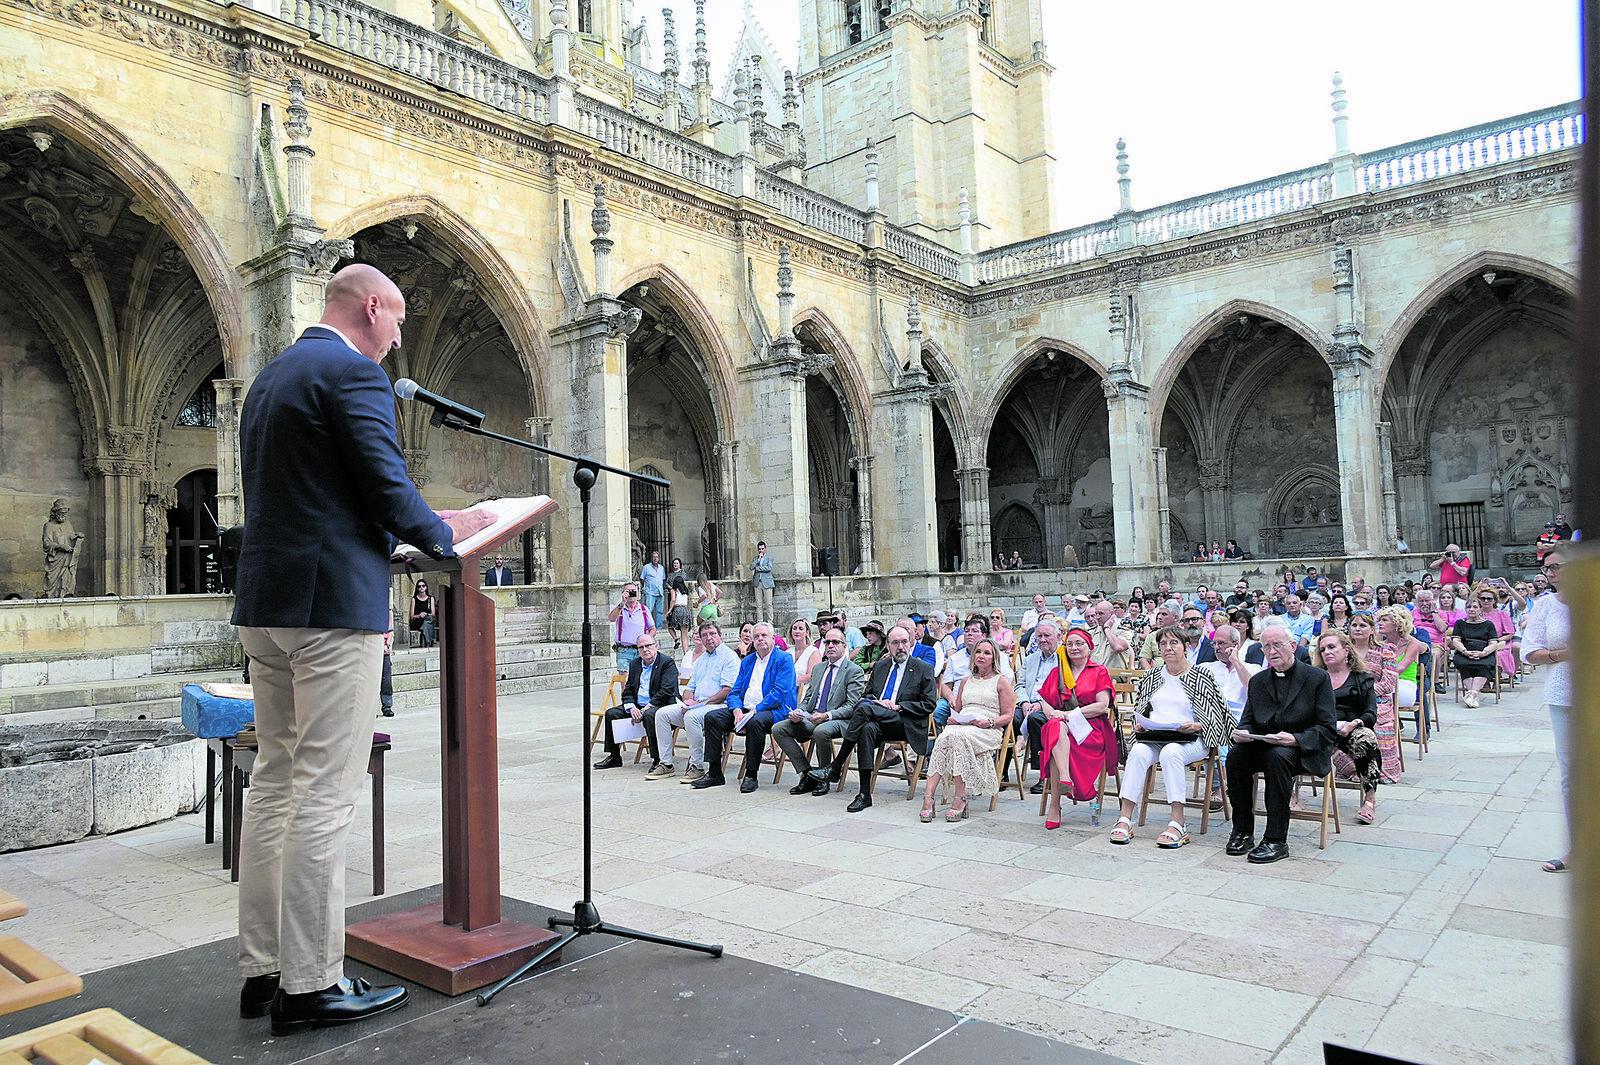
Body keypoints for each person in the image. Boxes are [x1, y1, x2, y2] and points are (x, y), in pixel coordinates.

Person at [231, 263, 494, 1033]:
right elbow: (385, 485)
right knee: (322, 791)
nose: (402, 335)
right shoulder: (352, 374)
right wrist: (448, 535)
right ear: (372, 307)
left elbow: (324, 496)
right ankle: (311, 983)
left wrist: (416, 522)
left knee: (276, 784)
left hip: (267, 607)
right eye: (400, 319)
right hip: (329, 613)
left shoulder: (272, 377)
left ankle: (263, 967)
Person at [1109, 626, 1232, 848]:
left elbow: (1219, 717)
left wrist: (1196, 725)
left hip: (1192, 739)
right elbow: (1142, 709)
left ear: (1186, 648)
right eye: (1163, 644)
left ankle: (1178, 821)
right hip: (1156, 736)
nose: (1167, 648)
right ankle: (1125, 817)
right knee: (1137, 751)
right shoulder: (1153, 675)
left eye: (1173, 643)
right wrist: (1140, 724)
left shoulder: (1201, 675)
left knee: (1170, 752)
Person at [1225, 626, 1337, 864]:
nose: (1272, 651)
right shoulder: (1258, 681)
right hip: (1268, 746)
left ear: (1293, 646)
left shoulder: (1317, 678)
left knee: (1277, 756)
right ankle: (1242, 831)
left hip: (1303, 748)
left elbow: (1327, 729)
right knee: (1236, 756)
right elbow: (1249, 722)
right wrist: (1243, 734)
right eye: (1267, 646)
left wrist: (1295, 739)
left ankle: (1276, 839)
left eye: (1278, 645)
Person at [808, 624, 937, 813]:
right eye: (895, 643)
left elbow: (929, 704)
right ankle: (864, 794)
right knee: (866, 728)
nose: (900, 646)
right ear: (888, 645)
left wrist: (899, 706)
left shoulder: (922, 668)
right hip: (878, 717)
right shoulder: (881, 666)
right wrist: (879, 702)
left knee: (863, 710)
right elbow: (867, 695)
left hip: (905, 721)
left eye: (904, 642)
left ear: (910, 643)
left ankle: (836, 766)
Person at [917, 638, 1015, 822]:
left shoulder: (1001, 682)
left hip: (988, 728)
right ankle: (928, 797)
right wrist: (954, 718)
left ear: (994, 657)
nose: (981, 656)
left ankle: (960, 798)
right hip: (965, 724)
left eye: (987, 653)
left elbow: (1008, 716)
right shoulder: (965, 681)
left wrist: (990, 722)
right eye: (978, 652)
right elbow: (959, 709)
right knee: (945, 737)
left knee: (957, 737)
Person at [694, 623, 797, 792]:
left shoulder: (783, 659)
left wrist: (753, 711)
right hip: (745, 711)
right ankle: (714, 773)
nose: (760, 639)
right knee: (712, 717)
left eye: (764, 635)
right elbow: (734, 692)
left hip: (775, 710)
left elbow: (779, 692)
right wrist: (736, 712)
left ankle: (751, 774)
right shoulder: (748, 661)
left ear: (773, 638)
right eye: (756, 637)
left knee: (755, 722)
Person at [1521, 547, 1571, 872]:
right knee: (1572, 774)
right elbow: (1529, 651)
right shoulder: (1546, 605)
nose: (1550, 572)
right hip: (1563, 695)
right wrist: (1563, 655)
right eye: (1546, 567)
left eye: (1556, 566)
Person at [1039, 628, 1116, 828]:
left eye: (1079, 643)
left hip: (1091, 729)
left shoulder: (1099, 671)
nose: (1074, 648)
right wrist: (1053, 713)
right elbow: (1044, 701)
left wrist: (1069, 715)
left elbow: (1102, 706)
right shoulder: (1059, 672)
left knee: (1055, 741)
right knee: (1054, 727)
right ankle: (1064, 779)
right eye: (1070, 644)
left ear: (1089, 647)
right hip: (1063, 726)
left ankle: (1055, 806)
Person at [776, 627, 867, 794]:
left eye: (835, 642)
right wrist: (798, 712)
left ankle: (824, 777)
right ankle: (808, 773)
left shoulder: (854, 671)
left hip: (838, 719)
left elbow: (852, 706)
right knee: (779, 728)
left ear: (845, 646)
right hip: (813, 717)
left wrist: (827, 715)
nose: (830, 645)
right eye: (827, 642)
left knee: (821, 730)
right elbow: (809, 698)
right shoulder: (819, 669)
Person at [650, 620, 740, 782]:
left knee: (692, 717)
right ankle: (666, 763)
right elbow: (689, 688)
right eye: (704, 635)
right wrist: (688, 702)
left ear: (720, 635)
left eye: (712, 633)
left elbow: (727, 691)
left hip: (719, 707)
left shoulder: (730, 657)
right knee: (662, 714)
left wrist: (698, 704)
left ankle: (697, 766)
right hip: (698, 706)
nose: (708, 638)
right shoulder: (701, 660)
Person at [1313, 630, 1382, 824]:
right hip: (1321, 728)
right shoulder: (1315, 678)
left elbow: (1371, 714)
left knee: (1365, 738)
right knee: (1293, 737)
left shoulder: (1362, 678)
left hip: (1351, 728)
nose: (1326, 652)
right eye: (1323, 649)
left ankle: (1369, 799)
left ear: (1346, 650)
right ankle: (1292, 796)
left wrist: (1354, 724)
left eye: (1332, 647)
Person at [593, 633, 679, 771]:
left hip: (659, 705)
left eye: (648, 646)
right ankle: (614, 756)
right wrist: (631, 708)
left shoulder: (667, 663)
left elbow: (667, 690)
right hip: (638, 705)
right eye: (641, 647)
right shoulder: (635, 664)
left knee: (650, 715)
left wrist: (646, 708)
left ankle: (658, 759)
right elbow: (628, 690)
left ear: (656, 646)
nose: (645, 650)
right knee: (611, 713)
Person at [1448, 591, 1503, 708]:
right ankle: (1473, 695)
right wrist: (1465, 651)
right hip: (1464, 651)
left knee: (1485, 664)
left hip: (1484, 652)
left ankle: (1471, 694)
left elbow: (1493, 643)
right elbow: (1456, 640)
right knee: (1463, 664)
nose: (1471, 609)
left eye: (1475, 607)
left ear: (1480, 609)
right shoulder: (1460, 623)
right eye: (1469, 607)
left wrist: (1484, 653)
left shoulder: (1488, 624)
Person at [41, 498, 85, 598]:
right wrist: (60, 547)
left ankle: (66, 595)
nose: (63, 516)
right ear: (55, 512)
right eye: (61, 513)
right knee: (52, 582)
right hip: (56, 560)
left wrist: (78, 537)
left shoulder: (68, 525)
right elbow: (46, 543)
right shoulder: (49, 526)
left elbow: (71, 539)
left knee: (67, 579)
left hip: (68, 559)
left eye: (65, 514)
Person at [607, 581, 653, 673]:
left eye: (633, 591)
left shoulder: (644, 609)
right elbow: (611, 619)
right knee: (625, 682)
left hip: (641, 650)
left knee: (641, 679)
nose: (631, 594)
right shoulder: (620, 608)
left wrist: (647, 639)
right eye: (628, 591)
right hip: (624, 650)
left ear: (638, 593)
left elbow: (652, 628)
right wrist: (623, 602)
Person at [665, 560, 693, 652]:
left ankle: (676, 639)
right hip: (685, 610)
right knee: (684, 636)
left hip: (677, 609)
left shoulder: (674, 590)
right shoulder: (685, 591)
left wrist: (669, 610)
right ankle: (686, 654)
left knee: (670, 627)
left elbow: (673, 600)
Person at [788, 617, 822, 684]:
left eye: (801, 629)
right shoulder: (788, 652)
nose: (797, 631)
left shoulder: (814, 652)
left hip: (806, 691)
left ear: (807, 632)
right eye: (794, 628)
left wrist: (787, 682)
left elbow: (811, 676)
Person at [639, 550, 666, 631]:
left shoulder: (661, 568)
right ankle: (647, 627)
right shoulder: (646, 567)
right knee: (648, 611)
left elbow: (663, 579)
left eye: (657, 557)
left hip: (660, 592)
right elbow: (642, 579)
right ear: (651, 558)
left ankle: (659, 628)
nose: (655, 559)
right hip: (650, 592)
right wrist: (647, 587)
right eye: (654, 557)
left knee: (659, 612)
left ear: (659, 558)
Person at [750, 540, 774, 625]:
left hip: (767, 583)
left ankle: (770, 622)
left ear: (765, 549)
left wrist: (758, 568)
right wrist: (758, 560)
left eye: (762, 549)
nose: (761, 550)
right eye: (759, 549)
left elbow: (769, 568)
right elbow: (751, 567)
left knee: (768, 604)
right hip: (758, 583)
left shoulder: (769, 558)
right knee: (759, 604)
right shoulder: (756, 559)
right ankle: (760, 621)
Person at [408, 579, 437, 648]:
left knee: (427, 621)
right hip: (417, 621)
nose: (421, 587)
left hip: (427, 620)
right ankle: (431, 640)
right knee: (427, 622)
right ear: (417, 588)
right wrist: (419, 616)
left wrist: (425, 614)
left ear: (426, 587)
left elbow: (433, 614)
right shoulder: (414, 599)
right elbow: (411, 616)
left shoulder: (431, 599)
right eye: (419, 586)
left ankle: (424, 644)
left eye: (423, 586)